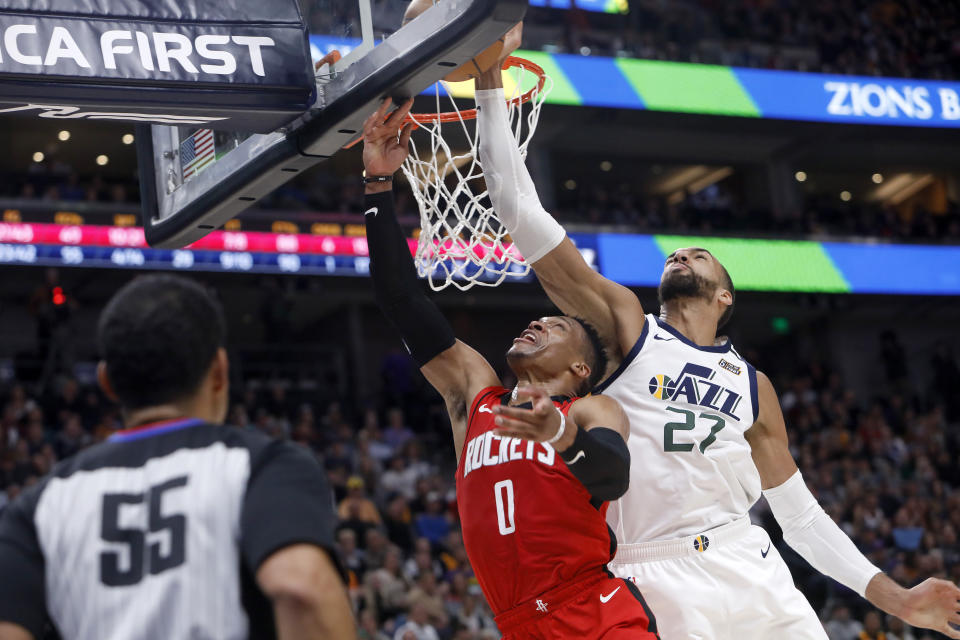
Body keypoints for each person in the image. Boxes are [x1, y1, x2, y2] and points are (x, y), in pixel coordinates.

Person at [473, 25, 960, 640]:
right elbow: (523, 218)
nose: (683, 253)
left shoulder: (753, 386)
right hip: (652, 570)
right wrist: (490, 83)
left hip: (748, 560)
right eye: (677, 253)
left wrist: (897, 600)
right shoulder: (628, 328)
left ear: (725, 295)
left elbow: (800, 518)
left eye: (700, 255)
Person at [360, 98, 659, 639]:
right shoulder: (476, 393)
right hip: (517, 625)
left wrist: (563, 435)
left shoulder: (593, 408)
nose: (535, 325)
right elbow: (403, 302)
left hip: (593, 612)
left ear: (579, 368)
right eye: (537, 320)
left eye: (555, 325)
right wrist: (378, 186)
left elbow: (613, 475)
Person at [0, 275, 356, 640]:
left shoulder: (40, 503)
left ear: (107, 383)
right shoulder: (264, 466)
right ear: (220, 370)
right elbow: (302, 588)